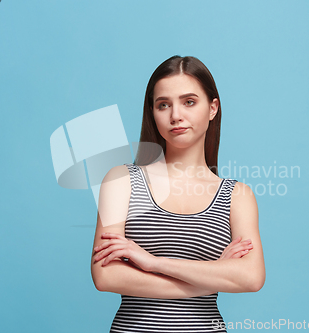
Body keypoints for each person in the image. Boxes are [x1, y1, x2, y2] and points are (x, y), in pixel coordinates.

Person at [91, 55, 265, 332]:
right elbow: (106, 276)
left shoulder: (237, 195)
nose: (175, 115)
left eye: (189, 102)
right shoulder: (122, 180)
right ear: (153, 112)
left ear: (212, 108)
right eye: (163, 105)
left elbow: (251, 278)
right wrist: (211, 276)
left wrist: (153, 262)